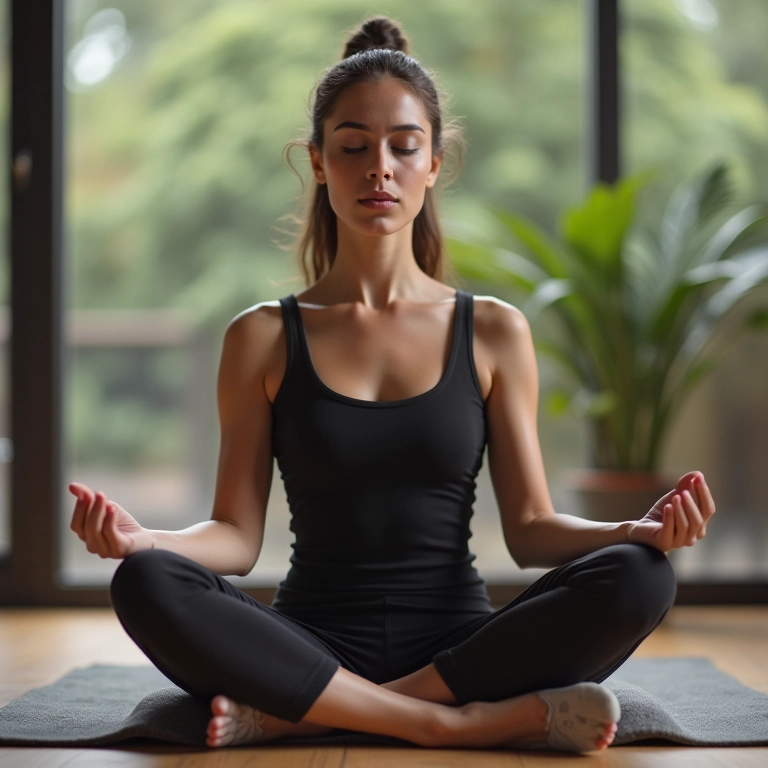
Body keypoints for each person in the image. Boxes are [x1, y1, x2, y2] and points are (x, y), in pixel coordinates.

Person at [67, 16, 715, 754]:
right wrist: (139, 538)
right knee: (146, 582)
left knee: (642, 577)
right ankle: (455, 723)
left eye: (404, 147)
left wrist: (633, 531)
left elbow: (532, 529)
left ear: (434, 163)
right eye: (353, 147)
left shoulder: (495, 331)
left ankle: (305, 715)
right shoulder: (261, 337)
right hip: (307, 641)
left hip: (459, 645)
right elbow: (237, 539)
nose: (380, 168)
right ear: (317, 162)